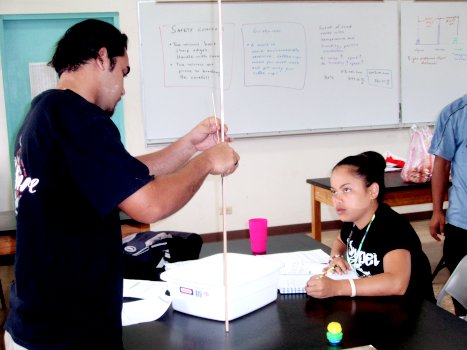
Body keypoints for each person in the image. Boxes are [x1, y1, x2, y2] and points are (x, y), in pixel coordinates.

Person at [5, 19, 240, 349]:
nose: (124, 88)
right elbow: (150, 203)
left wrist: (190, 146)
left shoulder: (46, 110)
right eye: (123, 72)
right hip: (64, 333)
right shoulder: (78, 116)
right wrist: (207, 162)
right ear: (103, 57)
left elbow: (124, 174)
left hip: (38, 322)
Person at [305, 151, 434, 302]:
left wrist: (338, 287)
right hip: (374, 304)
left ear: (372, 191)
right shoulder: (352, 220)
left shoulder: (393, 227)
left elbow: (396, 283)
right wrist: (336, 256)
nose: (337, 199)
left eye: (346, 189)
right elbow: (340, 241)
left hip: (412, 313)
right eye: (334, 191)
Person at [428, 95, 467, 316]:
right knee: (464, 295)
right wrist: (436, 211)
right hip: (463, 221)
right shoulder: (455, 113)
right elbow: (441, 165)